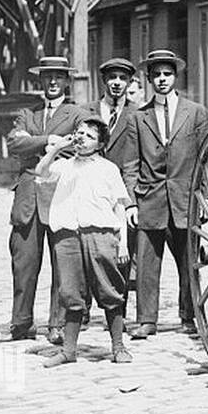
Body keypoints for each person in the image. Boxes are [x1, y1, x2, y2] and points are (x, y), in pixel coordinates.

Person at [0, 55, 88, 343]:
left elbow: (79, 143)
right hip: (28, 199)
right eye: (47, 76)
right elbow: (14, 142)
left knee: (63, 262)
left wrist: (35, 142)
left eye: (58, 76)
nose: (52, 81)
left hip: (62, 194)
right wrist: (50, 142)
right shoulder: (28, 113)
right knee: (23, 261)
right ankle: (21, 323)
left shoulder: (77, 113)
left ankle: (57, 325)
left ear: (66, 81)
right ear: (41, 80)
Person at [34, 117, 133, 366]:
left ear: (100, 144)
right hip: (67, 236)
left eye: (89, 136)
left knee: (110, 290)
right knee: (70, 293)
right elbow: (41, 172)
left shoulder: (108, 168)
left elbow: (119, 206)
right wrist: (57, 148)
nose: (81, 138)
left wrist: (122, 243)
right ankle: (69, 351)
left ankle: (118, 347)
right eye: (79, 134)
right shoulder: (64, 166)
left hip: (100, 236)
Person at [131, 49, 208, 338]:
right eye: (156, 75)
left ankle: (189, 315)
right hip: (149, 198)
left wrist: (206, 200)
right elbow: (130, 163)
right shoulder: (138, 117)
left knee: (189, 261)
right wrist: (130, 203)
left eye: (167, 74)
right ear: (149, 79)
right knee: (147, 264)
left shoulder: (195, 112)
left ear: (175, 76)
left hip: (185, 198)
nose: (162, 79)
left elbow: (205, 157)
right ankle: (146, 320)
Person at [87, 57, 140, 317]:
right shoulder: (87, 112)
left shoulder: (137, 115)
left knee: (122, 254)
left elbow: (134, 161)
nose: (117, 83)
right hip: (88, 190)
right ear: (104, 81)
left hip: (119, 192)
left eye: (122, 79)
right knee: (85, 249)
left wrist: (129, 202)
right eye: (112, 78)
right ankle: (82, 311)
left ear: (129, 82)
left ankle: (119, 311)